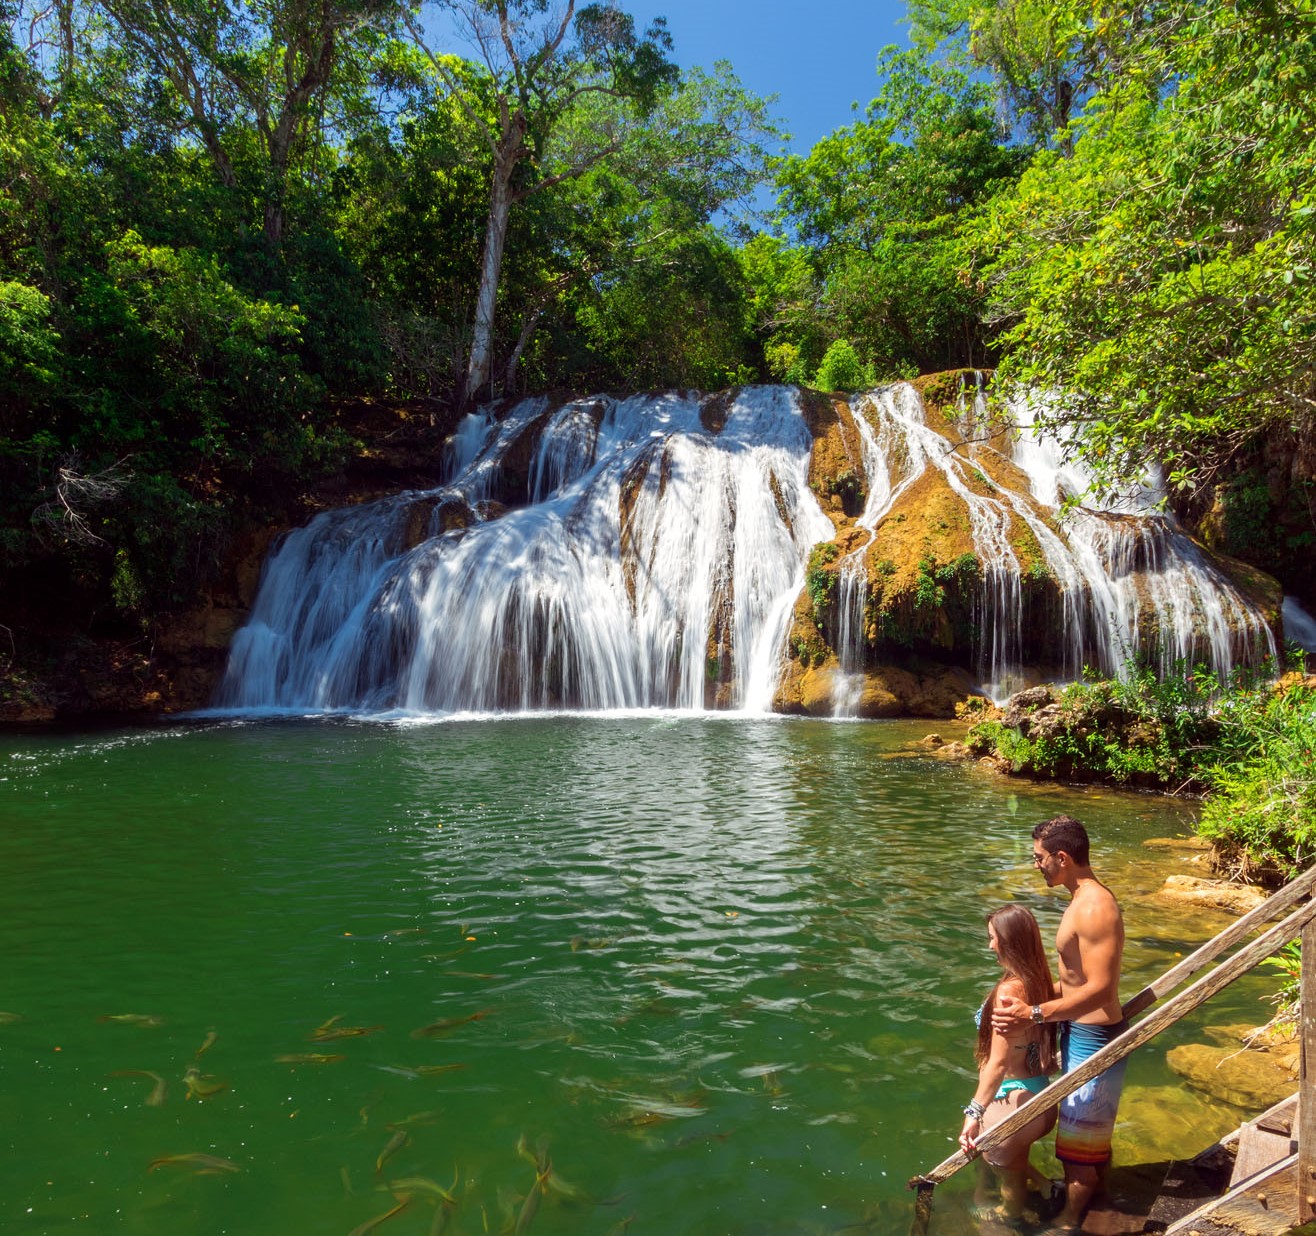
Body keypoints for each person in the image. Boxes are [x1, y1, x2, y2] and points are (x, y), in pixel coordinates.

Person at [993, 815, 1126, 1234]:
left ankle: (1069, 1223)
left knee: (1079, 1145)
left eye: (1039, 858)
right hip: (1081, 1030)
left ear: (1062, 857)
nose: (1037, 865)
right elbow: (1075, 980)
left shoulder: (1094, 907)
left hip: (1094, 1036)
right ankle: (1095, 1204)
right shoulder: (1081, 899)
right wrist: (1036, 995)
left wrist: (1033, 1014)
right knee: (1083, 1135)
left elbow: (1101, 990)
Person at [959, 904, 1058, 1228]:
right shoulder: (1040, 980)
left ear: (1009, 941)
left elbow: (999, 1063)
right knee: (1012, 1161)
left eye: (993, 938)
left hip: (1011, 1101)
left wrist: (973, 1112)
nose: (990, 945)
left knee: (1009, 1184)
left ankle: (1006, 1221)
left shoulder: (1007, 993)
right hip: (1038, 1095)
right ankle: (1044, 1186)